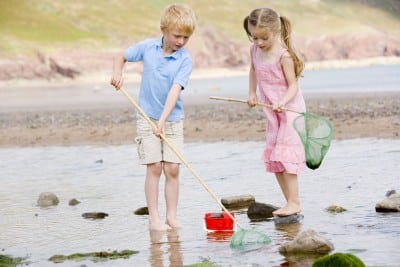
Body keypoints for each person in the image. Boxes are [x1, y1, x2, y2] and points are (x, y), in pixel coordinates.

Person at [110, 3, 196, 231]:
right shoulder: (148, 48)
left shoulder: (184, 60)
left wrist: (163, 121)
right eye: (177, 35)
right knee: (155, 167)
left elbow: (175, 91)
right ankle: (154, 218)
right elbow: (121, 56)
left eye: (186, 38)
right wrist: (118, 72)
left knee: (173, 168)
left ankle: (172, 217)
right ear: (163, 30)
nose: (181, 41)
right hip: (147, 118)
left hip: (173, 120)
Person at [243, 8, 306, 217]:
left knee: (286, 155)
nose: (259, 43)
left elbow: (293, 86)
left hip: (290, 110)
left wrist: (283, 101)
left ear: (275, 31)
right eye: (255, 38)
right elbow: (253, 70)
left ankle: (295, 201)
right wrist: (252, 93)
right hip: (272, 111)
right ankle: (289, 202)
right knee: (274, 156)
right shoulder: (254, 50)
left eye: (264, 38)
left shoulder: (283, 55)